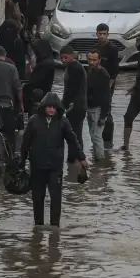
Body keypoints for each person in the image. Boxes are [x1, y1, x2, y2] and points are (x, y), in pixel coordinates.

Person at [20, 92, 86, 227]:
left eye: (54, 107)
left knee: (56, 197)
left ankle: (55, 227)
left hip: (55, 167)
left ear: (58, 109)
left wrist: (81, 157)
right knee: (37, 198)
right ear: (44, 107)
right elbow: (25, 143)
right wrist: (21, 161)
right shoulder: (34, 121)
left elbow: (73, 140)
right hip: (37, 166)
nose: (51, 110)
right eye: (49, 107)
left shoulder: (63, 122)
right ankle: (38, 227)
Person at [91, 23, 120, 147]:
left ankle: (108, 141)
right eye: (100, 34)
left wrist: (109, 86)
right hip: (97, 83)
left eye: (104, 34)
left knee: (107, 109)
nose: (102, 36)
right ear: (96, 34)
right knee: (96, 109)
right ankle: (98, 138)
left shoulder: (113, 49)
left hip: (109, 83)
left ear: (108, 34)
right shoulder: (95, 48)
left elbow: (115, 71)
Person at [59, 45, 88, 150]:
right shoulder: (73, 67)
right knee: (75, 133)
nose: (63, 60)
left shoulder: (74, 68)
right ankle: (77, 157)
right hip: (78, 105)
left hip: (76, 106)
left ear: (72, 56)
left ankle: (78, 158)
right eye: (61, 58)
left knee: (75, 134)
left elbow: (72, 90)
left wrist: (63, 104)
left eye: (65, 57)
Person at [85, 51, 111, 161]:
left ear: (99, 60)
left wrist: (103, 116)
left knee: (96, 137)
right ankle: (98, 160)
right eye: (90, 59)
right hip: (90, 108)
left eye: (94, 60)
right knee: (93, 136)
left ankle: (100, 162)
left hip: (98, 110)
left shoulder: (103, 75)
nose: (91, 62)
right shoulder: (90, 71)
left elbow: (106, 97)